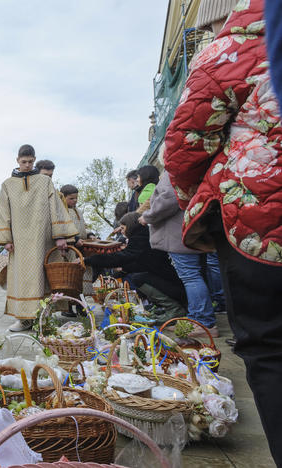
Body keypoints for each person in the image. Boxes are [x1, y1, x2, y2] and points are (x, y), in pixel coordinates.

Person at [164, 0, 282, 462]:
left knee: (270, 348)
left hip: (258, 229)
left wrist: (205, 204)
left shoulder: (231, 48)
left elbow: (185, 146)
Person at [0, 144, 77, 332]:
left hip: (42, 238)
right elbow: (3, 211)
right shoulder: (7, 185)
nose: (27, 165)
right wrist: (6, 238)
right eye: (24, 162)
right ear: (17, 161)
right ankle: (23, 320)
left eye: (30, 161)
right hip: (19, 242)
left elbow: (55, 207)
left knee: (43, 278)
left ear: (34, 160)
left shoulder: (45, 182)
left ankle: (43, 319)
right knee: (21, 279)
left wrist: (60, 236)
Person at [139, 171, 223, 337]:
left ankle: (203, 322)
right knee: (194, 275)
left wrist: (147, 216)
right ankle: (196, 318)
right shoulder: (190, 172)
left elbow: (168, 199)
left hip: (178, 235)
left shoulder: (174, 174)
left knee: (190, 276)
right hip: (188, 231)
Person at [83, 213, 187, 323]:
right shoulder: (144, 234)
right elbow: (141, 263)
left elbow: (122, 257)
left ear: (131, 226)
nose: (122, 231)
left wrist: (89, 260)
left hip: (172, 286)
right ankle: (164, 307)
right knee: (138, 277)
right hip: (170, 283)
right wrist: (122, 269)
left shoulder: (141, 237)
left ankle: (174, 308)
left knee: (138, 278)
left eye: (123, 228)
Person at [60, 184, 93, 314]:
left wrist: (89, 234)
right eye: (71, 198)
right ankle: (66, 307)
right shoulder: (61, 212)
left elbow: (83, 226)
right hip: (68, 251)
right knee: (69, 280)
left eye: (76, 198)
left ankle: (80, 305)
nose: (74, 201)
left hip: (81, 250)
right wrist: (75, 238)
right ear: (63, 198)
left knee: (81, 279)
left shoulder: (78, 211)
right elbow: (63, 229)